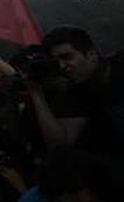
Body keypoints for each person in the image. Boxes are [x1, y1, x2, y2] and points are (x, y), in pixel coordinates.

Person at [28, 26, 124, 167]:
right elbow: (60, 145)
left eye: (67, 57)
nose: (62, 66)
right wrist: (35, 92)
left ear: (91, 54)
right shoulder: (76, 92)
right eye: (56, 62)